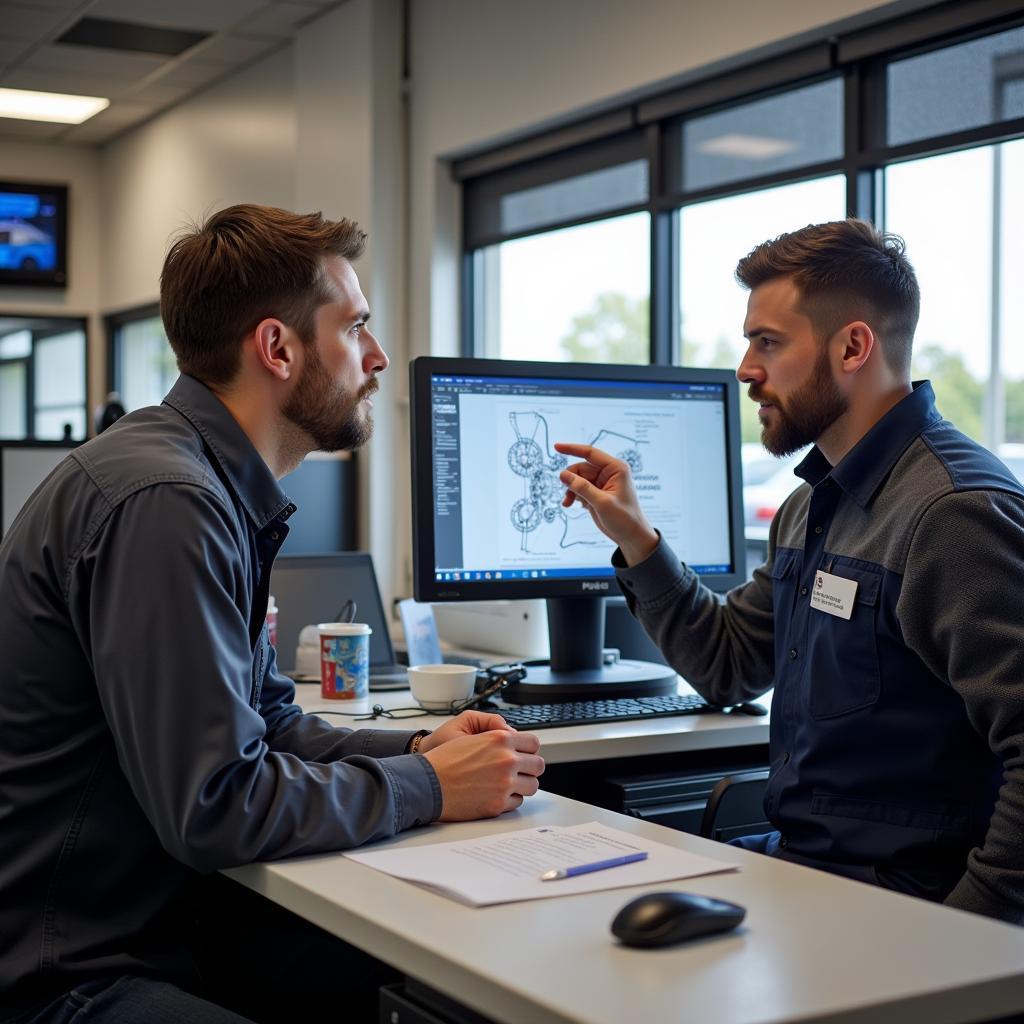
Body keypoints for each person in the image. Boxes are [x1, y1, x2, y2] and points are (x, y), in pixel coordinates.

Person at [0, 204, 544, 1024]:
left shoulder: (201, 480)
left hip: (170, 921)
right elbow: (216, 804)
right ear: (278, 348)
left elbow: (268, 723)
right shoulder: (169, 502)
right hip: (70, 967)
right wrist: (427, 787)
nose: (378, 355)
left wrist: (418, 745)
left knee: (446, 984)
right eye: (355, 324)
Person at [556, 218, 1024, 926]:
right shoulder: (811, 506)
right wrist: (637, 537)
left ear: (853, 346)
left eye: (767, 343)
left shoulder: (952, 514)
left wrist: (967, 937)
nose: (746, 368)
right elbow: (729, 664)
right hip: (804, 875)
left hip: (907, 905)